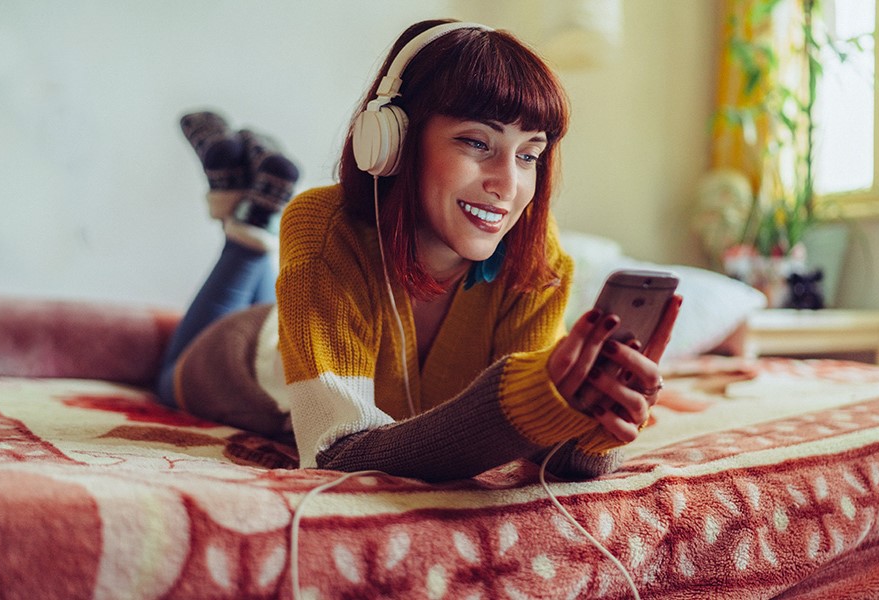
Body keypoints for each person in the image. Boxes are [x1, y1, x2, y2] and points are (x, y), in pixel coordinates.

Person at [157, 18, 682, 482]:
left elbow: (541, 445)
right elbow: (336, 454)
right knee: (165, 370)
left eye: (529, 154)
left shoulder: (536, 257)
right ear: (394, 142)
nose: (507, 183)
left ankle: (244, 211)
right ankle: (247, 234)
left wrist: (592, 428)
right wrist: (519, 402)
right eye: (477, 142)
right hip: (236, 357)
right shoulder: (323, 226)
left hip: (304, 313)